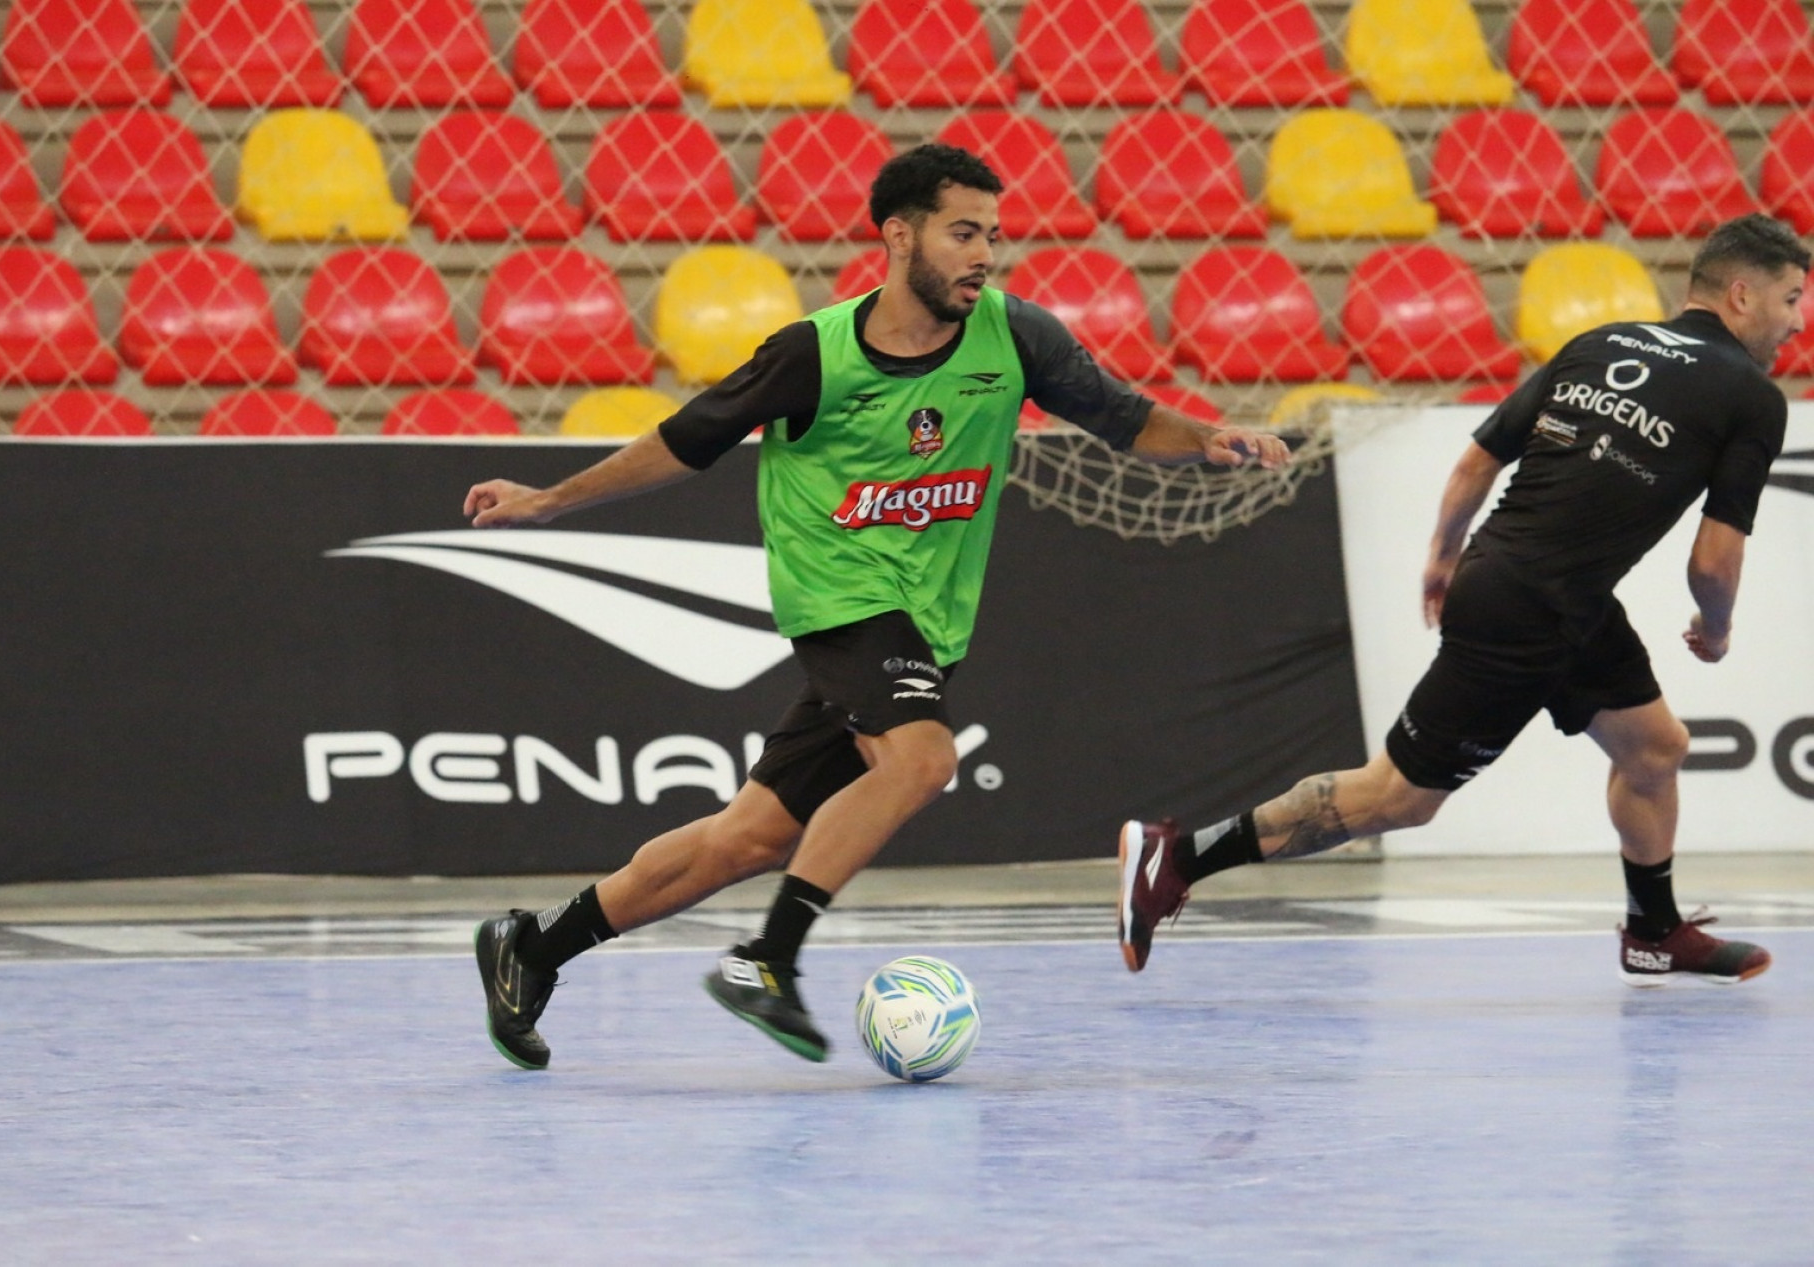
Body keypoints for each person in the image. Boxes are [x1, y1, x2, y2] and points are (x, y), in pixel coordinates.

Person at [464, 144, 1290, 1070]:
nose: (983, 253)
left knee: (746, 838)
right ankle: (766, 959)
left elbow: (1123, 416)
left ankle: (531, 948)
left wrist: (1209, 437)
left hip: (927, 621)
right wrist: (544, 499)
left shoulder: (1016, 338)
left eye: (992, 235)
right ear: (899, 237)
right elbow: (682, 442)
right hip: (841, 597)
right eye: (962, 232)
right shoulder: (811, 355)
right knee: (923, 756)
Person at [1119, 213, 1807, 987]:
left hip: (1549, 595)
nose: (1795, 321)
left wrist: (1445, 556)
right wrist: (1714, 630)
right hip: (1529, 611)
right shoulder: (1752, 397)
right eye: (1789, 299)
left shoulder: (1601, 343)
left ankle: (1653, 930)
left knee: (1653, 747)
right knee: (1395, 798)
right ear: (1742, 295)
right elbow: (1714, 559)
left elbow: (1478, 456)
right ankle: (1173, 856)